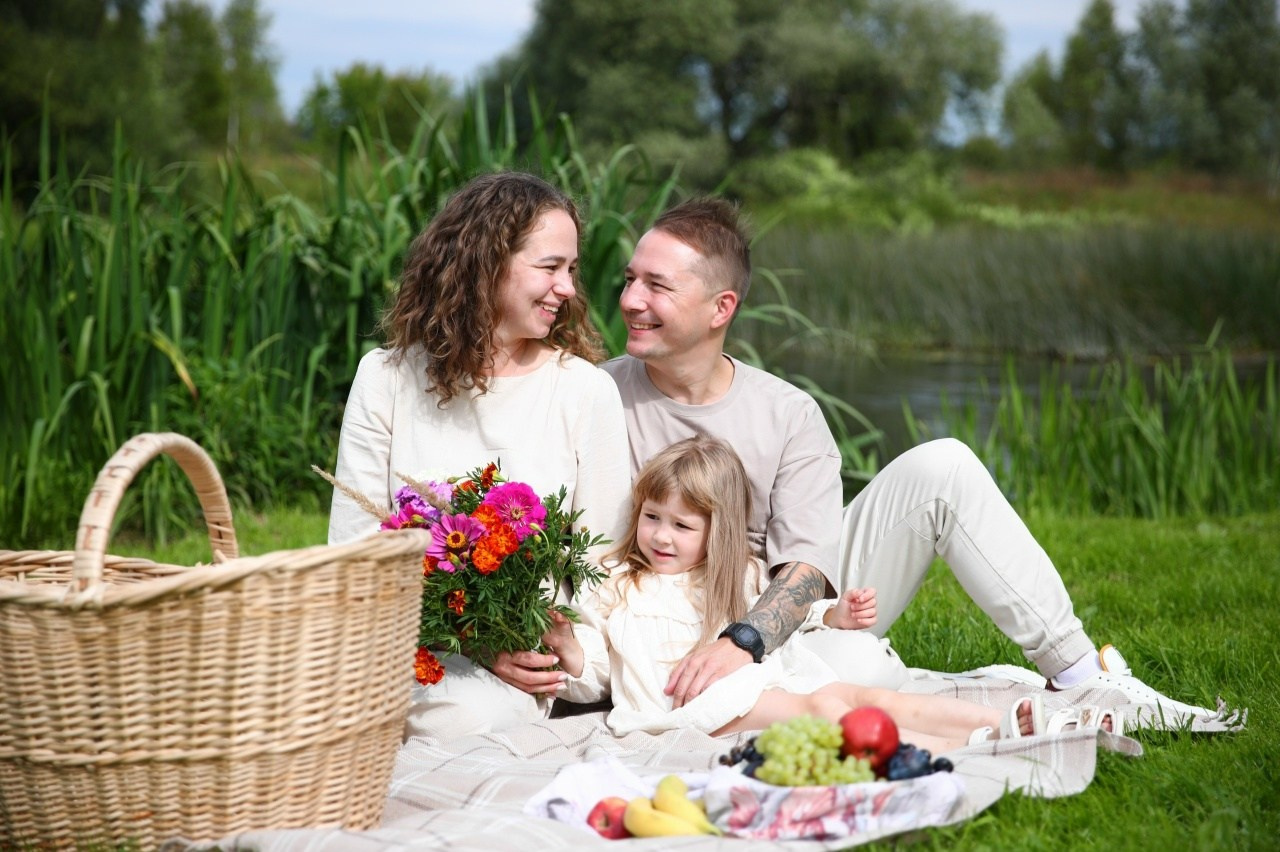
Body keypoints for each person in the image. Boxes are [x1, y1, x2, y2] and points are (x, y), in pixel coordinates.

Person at [496, 195, 1211, 724]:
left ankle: (1080, 675)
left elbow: (807, 571)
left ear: (720, 308)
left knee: (944, 467)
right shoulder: (594, 393)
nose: (630, 300)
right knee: (861, 670)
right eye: (629, 279)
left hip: (775, 615)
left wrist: (741, 642)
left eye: (657, 286)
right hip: (646, 613)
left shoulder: (787, 413)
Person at [542, 436, 1104, 752]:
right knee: (827, 710)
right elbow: (599, 673)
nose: (661, 536)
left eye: (682, 526)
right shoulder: (617, 580)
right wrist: (568, 648)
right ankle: (975, 745)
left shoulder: (737, 575)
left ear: (718, 531)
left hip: (762, 686)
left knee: (866, 698)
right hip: (690, 710)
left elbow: (793, 620)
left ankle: (1007, 724)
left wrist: (835, 617)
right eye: (652, 517)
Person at [327, 171, 632, 740]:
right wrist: (467, 641)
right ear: (485, 263)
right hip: (392, 643)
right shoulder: (385, 378)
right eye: (550, 267)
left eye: (571, 269)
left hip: (518, 665)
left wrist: (567, 665)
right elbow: (354, 553)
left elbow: (605, 570)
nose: (567, 288)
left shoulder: (584, 392)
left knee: (460, 718)